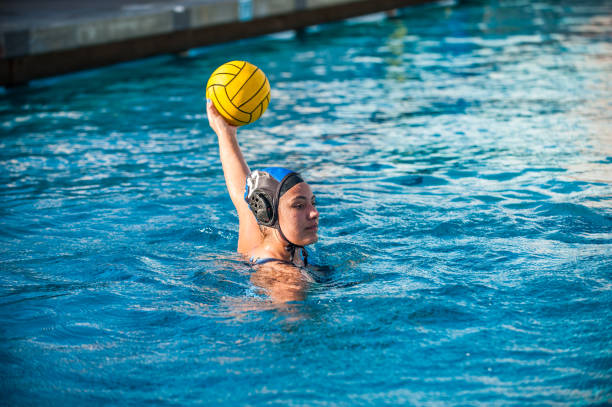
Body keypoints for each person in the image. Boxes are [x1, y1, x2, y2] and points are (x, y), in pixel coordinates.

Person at [206, 100, 319, 279]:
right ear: (269, 213)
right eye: (298, 205)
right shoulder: (289, 282)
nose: (314, 213)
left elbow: (241, 190)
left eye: (313, 203)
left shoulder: (262, 232)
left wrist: (225, 131)